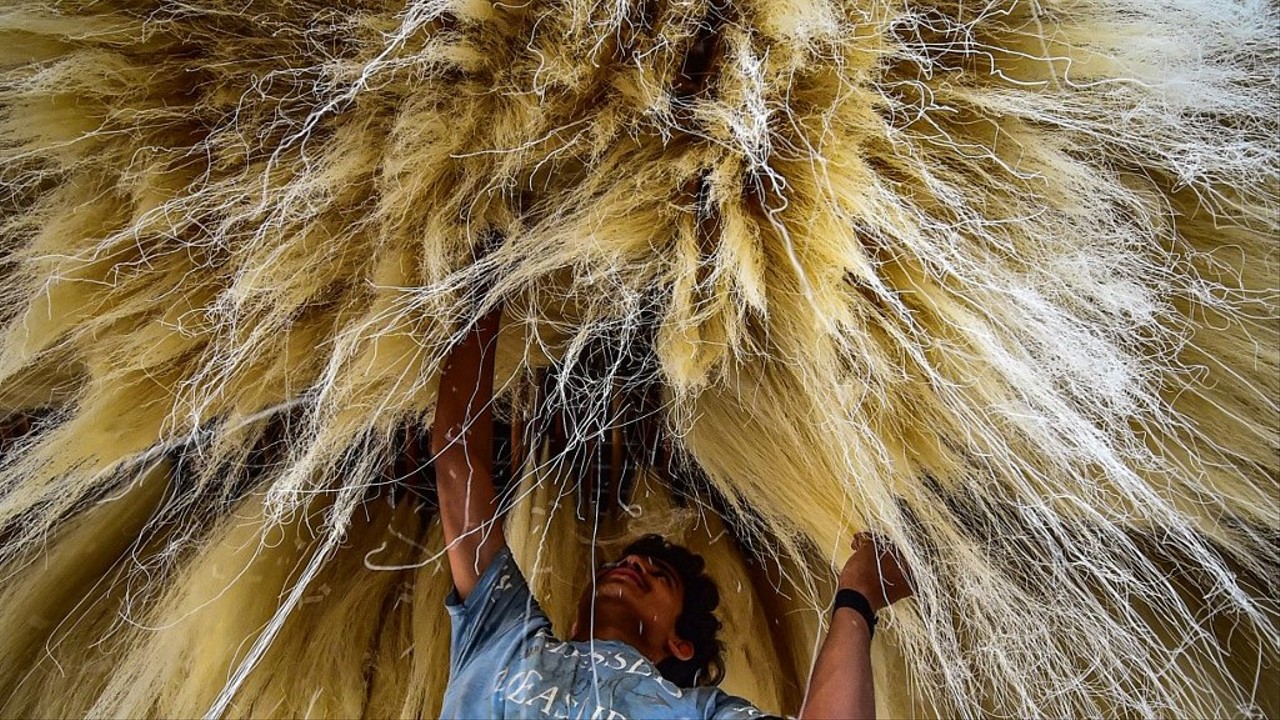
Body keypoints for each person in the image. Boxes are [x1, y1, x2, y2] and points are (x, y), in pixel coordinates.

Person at [430, 305, 913, 719]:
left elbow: (457, 460)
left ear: (681, 645)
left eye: (657, 573)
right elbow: (459, 461)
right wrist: (486, 291)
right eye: (641, 566)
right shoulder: (504, 637)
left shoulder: (692, 709)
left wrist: (856, 595)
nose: (634, 564)